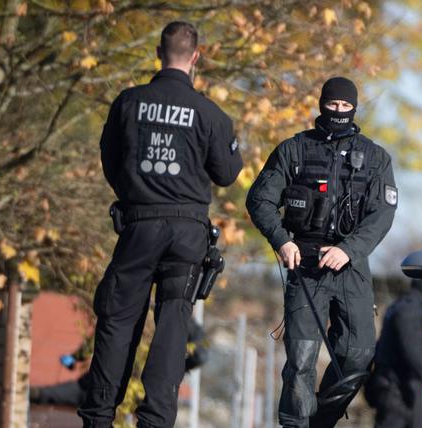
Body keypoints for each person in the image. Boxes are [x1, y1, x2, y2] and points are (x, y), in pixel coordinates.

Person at [78, 21, 242, 428]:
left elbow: (110, 161)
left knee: (118, 319)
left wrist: (137, 195)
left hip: (139, 225)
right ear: (196, 57)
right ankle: (154, 420)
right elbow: (227, 173)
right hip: (187, 233)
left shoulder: (128, 103)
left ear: (157, 52)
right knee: (173, 322)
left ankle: (99, 416)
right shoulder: (210, 114)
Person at [247, 76, 397, 428]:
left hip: (352, 268)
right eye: (333, 105)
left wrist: (348, 250)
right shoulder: (294, 150)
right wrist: (282, 240)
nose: (339, 112)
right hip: (304, 267)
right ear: (321, 104)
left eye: (346, 106)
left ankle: (320, 422)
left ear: (355, 108)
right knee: (300, 359)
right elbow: (259, 199)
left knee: (357, 356)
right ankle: (295, 424)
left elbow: (382, 215)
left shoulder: (376, 158)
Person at [31, 319, 208, 407]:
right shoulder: (166, 356)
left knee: (66, 393)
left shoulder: (166, 367)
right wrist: (76, 358)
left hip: (106, 381)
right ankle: (35, 394)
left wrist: (76, 358)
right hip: (107, 380)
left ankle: (34, 394)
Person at [365, 279, 422, 428]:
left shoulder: (398, 305)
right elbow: (413, 350)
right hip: (399, 387)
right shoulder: (411, 309)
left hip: (390, 383)